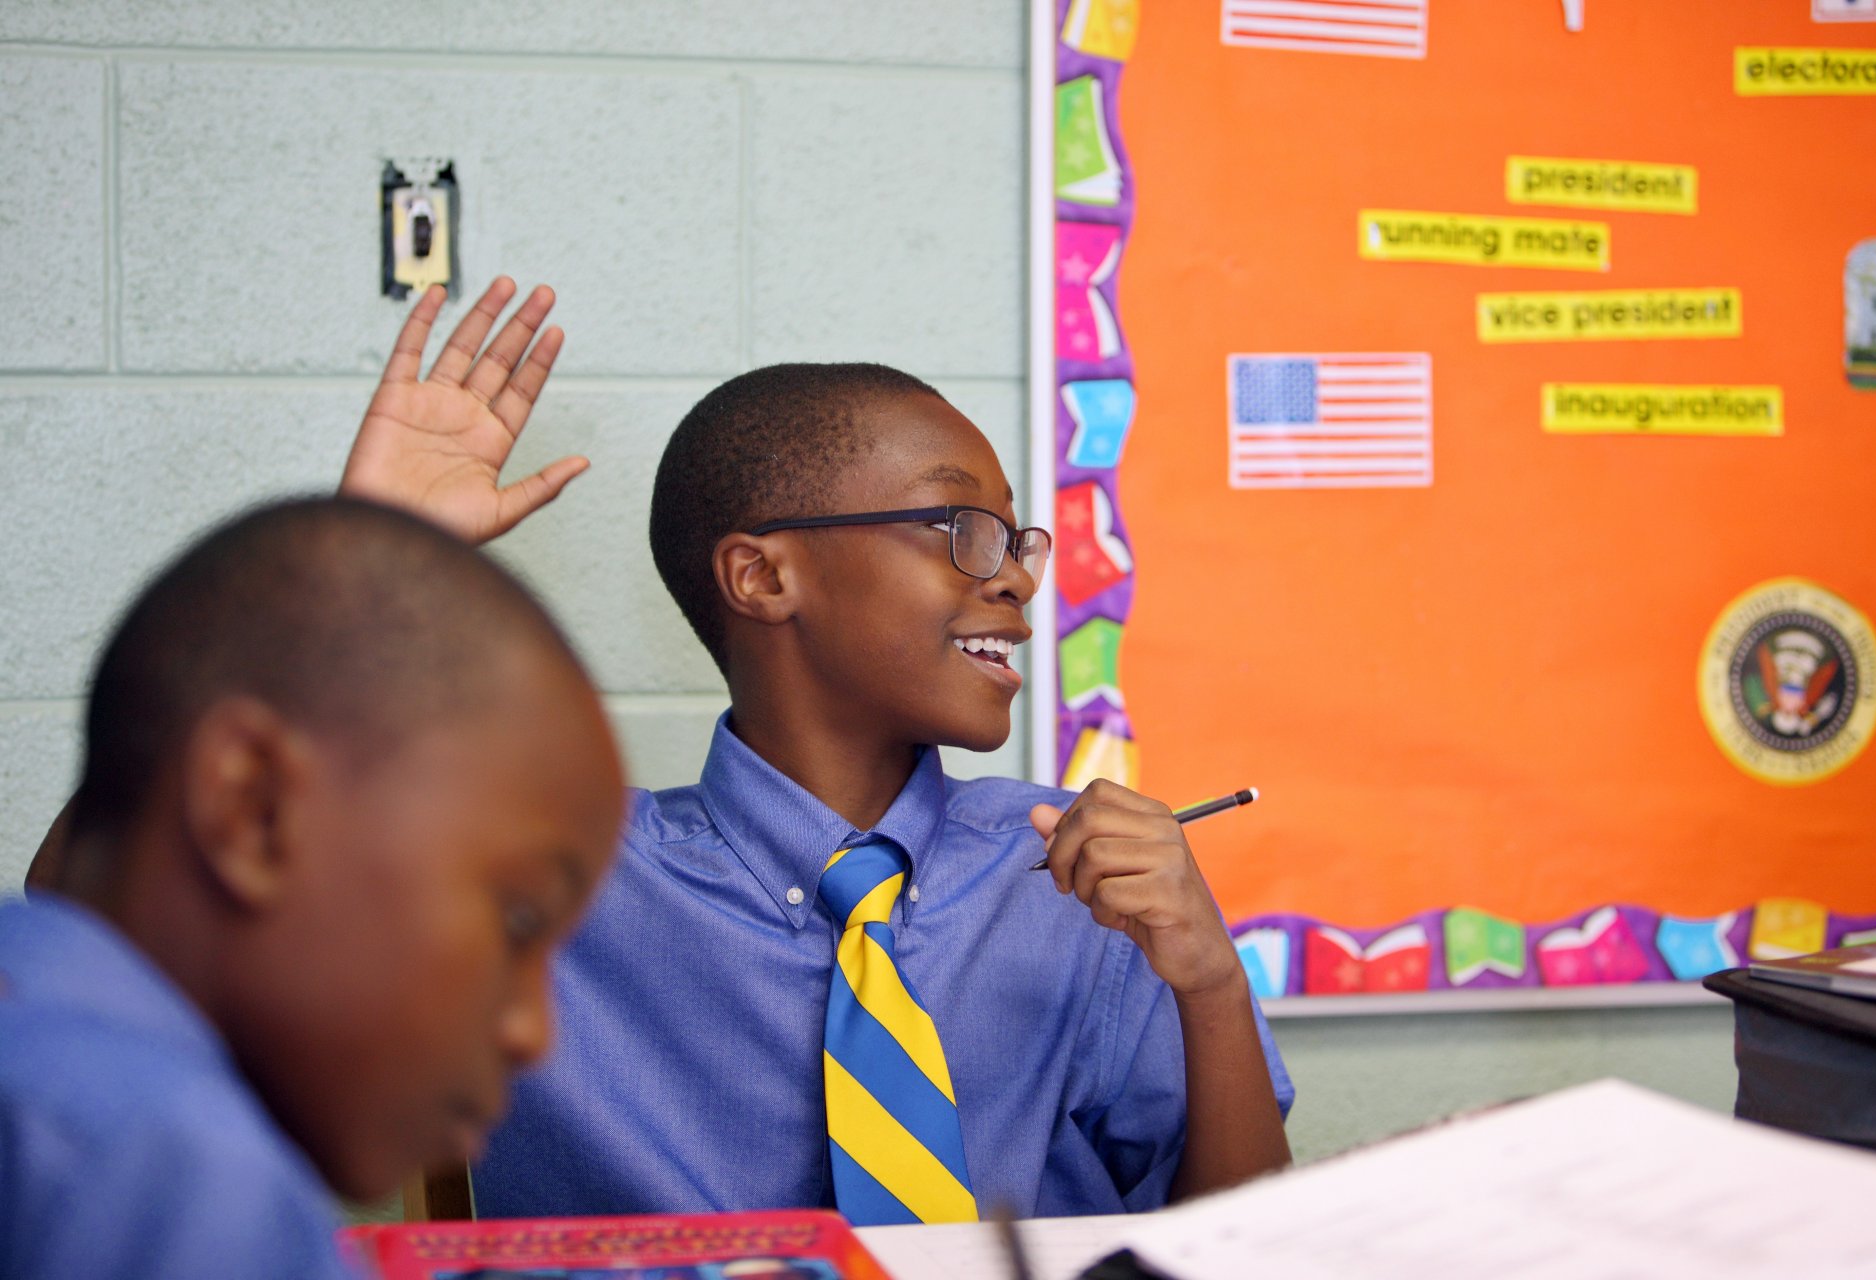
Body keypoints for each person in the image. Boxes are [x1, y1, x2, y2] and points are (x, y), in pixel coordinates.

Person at [340, 292, 1295, 1222]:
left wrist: (1208, 977)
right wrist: (364, 567)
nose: (1013, 576)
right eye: (962, 530)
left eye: (1016, 541)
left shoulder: (1083, 874)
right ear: (763, 576)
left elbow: (1245, 1246)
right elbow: (285, 871)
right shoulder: (554, 876)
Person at [2, 292, 626, 1278]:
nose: (534, 1031)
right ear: (252, 810)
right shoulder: (170, 1164)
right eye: (516, 919)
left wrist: (363, 555)